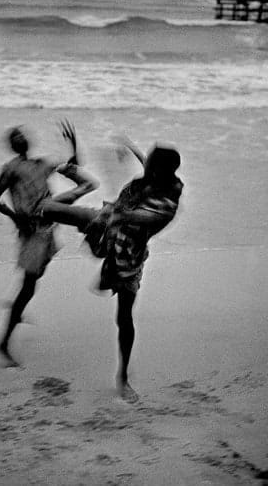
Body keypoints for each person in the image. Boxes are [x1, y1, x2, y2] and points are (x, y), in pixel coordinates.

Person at [40, 142, 183, 401]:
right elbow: (144, 168)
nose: (146, 164)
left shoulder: (166, 204)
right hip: (107, 223)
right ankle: (39, 235)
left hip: (129, 256)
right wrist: (132, 149)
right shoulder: (156, 176)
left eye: (151, 163)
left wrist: (119, 215)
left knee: (124, 319)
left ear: (162, 171)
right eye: (147, 161)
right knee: (46, 209)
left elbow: (143, 218)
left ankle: (123, 378)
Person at [0, 120, 98, 366]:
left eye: (22, 134)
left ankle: (17, 304)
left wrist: (73, 141)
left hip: (46, 226)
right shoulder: (10, 169)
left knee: (34, 278)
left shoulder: (40, 163)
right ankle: (1, 345)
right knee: (29, 285)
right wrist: (15, 216)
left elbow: (73, 164)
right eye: (15, 136)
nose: (21, 138)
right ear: (13, 145)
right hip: (33, 229)